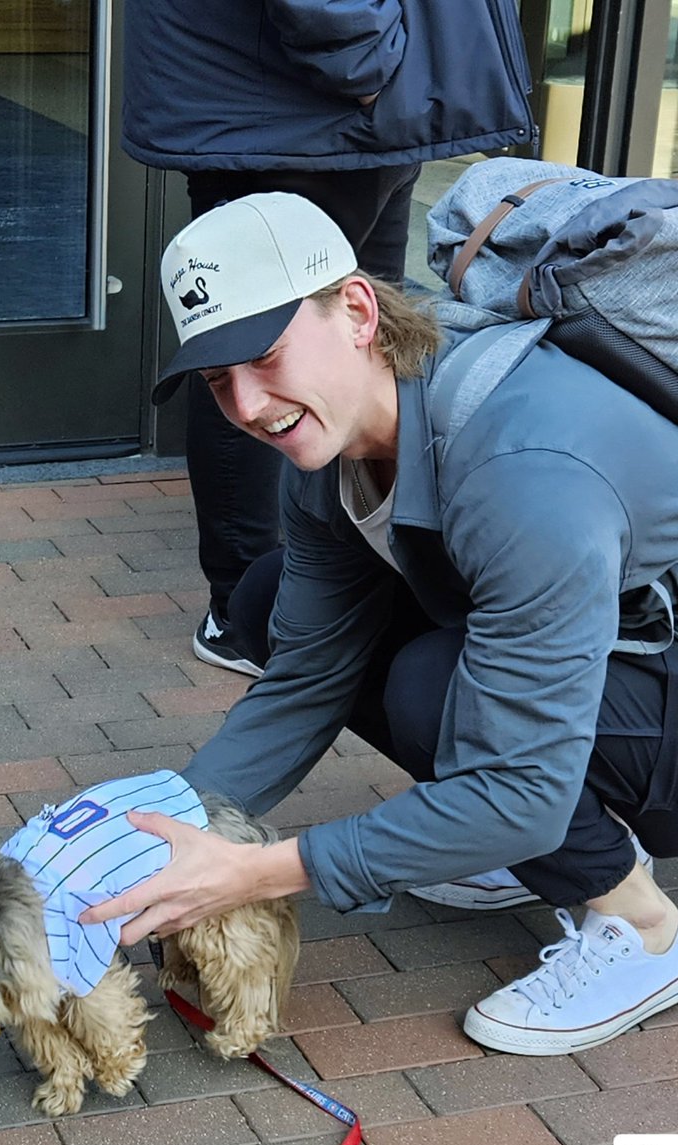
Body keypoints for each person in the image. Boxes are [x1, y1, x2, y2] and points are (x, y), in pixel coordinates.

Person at [80, 193, 678, 1054]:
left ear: (354, 310)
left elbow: (520, 787)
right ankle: (500, 834)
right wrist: (158, 830)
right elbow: (307, 676)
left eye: (264, 356)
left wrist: (251, 872)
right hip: (619, 661)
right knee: (270, 600)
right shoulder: (331, 450)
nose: (248, 405)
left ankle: (639, 927)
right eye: (217, 380)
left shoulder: (522, 467)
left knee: (435, 698)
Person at [121, 0, 535, 677]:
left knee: (359, 345)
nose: (248, 404)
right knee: (261, 354)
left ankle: (335, 584)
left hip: (328, 103)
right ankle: (243, 606)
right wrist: (365, 66)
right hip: (310, 102)